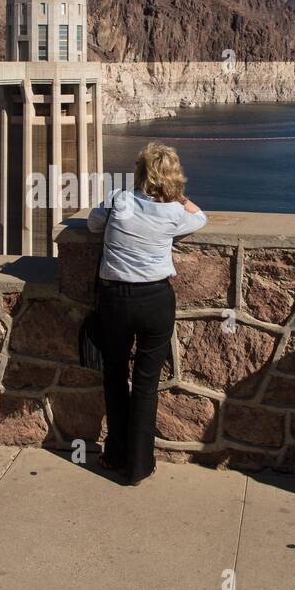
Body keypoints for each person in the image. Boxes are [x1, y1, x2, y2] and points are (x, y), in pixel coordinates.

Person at [88, 143, 207, 485]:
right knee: (145, 384)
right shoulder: (172, 212)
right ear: (172, 178)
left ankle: (115, 454)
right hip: (156, 300)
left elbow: (95, 225)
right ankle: (139, 466)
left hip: (115, 300)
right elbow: (200, 217)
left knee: (113, 374)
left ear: (139, 173)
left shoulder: (118, 200)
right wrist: (179, 197)